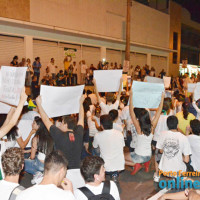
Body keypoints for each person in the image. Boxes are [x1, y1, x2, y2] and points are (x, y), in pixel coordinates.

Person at [35, 95, 84, 169]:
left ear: (66, 125)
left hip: (62, 171)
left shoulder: (59, 135)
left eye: (62, 122)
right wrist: (80, 103)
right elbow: (81, 118)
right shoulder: (79, 134)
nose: (60, 124)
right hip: (77, 170)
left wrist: (38, 104)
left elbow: (45, 120)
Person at [124, 90, 165, 175]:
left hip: (139, 156)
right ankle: (143, 164)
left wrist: (131, 96)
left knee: (120, 157)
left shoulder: (139, 128)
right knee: (131, 154)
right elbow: (159, 111)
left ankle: (136, 164)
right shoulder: (152, 126)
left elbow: (131, 112)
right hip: (149, 156)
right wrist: (162, 98)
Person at [93, 115, 125, 182]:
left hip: (106, 167)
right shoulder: (120, 134)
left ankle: (99, 171)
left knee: (94, 150)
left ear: (101, 126)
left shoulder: (97, 135)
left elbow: (95, 146)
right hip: (119, 166)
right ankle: (114, 175)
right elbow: (122, 146)